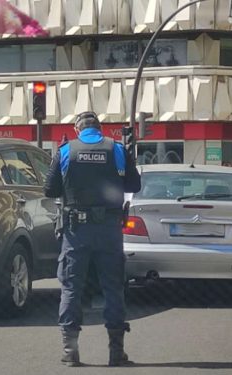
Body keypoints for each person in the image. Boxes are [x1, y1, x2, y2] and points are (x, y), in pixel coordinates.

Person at [45, 111, 142, 366]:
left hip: (76, 231)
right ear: (100, 128)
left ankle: (70, 351)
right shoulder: (117, 149)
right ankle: (115, 352)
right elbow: (134, 185)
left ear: (78, 130)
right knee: (113, 288)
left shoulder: (66, 151)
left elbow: (50, 189)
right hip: (109, 231)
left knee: (71, 288)